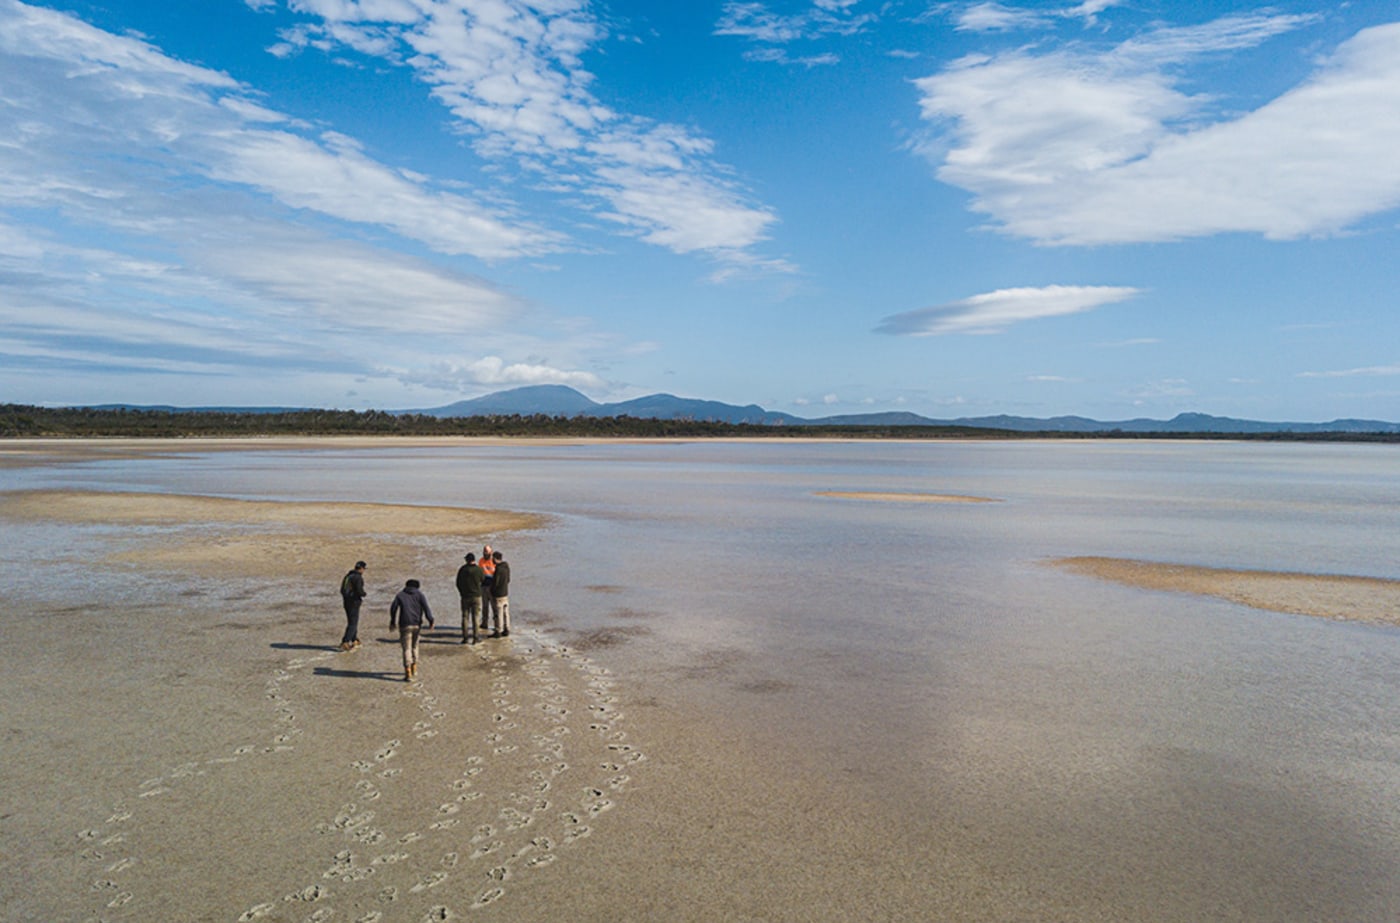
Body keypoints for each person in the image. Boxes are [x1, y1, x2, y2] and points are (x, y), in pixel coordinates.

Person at [389, 579, 434, 682]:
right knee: (415, 646)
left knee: (406, 649)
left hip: (404, 625)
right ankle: (415, 667)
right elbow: (427, 608)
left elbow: (393, 608)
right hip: (417, 624)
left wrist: (392, 621)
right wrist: (431, 620)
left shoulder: (400, 595)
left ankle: (408, 671)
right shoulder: (420, 595)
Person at [455, 553, 485, 645]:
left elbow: (458, 583)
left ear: (466, 560)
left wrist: (461, 592)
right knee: (476, 617)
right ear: (474, 560)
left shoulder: (462, 570)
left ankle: (465, 638)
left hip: (465, 596)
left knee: (465, 617)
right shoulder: (479, 570)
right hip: (476, 596)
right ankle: (475, 638)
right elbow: (482, 580)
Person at [338, 561, 367, 651]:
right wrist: (364, 594)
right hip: (354, 602)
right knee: (353, 622)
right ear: (361, 569)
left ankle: (354, 639)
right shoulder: (358, 578)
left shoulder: (348, 576)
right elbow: (359, 591)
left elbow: (342, 590)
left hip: (346, 602)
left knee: (351, 621)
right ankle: (345, 641)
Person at [489, 550, 511, 637]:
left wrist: (492, 590)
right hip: (505, 592)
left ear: (495, 558)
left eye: (493, 559)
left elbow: (496, 582)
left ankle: (498, 631)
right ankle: (507, 629)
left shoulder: (498, 569)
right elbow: (508, 580)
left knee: (498, 613)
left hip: (498, 594)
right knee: (506, 612)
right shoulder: (506, 567)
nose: (492, 561)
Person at [478, 545, 496, 632]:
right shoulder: (481, 561)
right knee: (484, 606)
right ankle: (484, 623)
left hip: (492, 587)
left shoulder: (494, 561)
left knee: (494, 607)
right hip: (483, 586)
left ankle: (497, 624)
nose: (485, 553)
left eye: (487, 552)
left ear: (491, 552)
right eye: (484, 551)